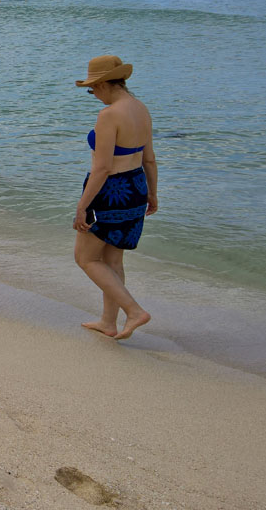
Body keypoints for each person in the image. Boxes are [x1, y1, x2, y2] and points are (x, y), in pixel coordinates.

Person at [72, 55, 157, 340]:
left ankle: (134, 311)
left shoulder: (109, 115)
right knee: (112, 261)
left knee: (85, 258)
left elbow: (103, 168)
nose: (93, 94)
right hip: (136, 188)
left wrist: (81, 207)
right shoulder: (141, 109)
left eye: (93, 88)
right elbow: (150, 160)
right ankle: (109, 322)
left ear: (106, 83)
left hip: (110, 192)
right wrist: (153, 195)